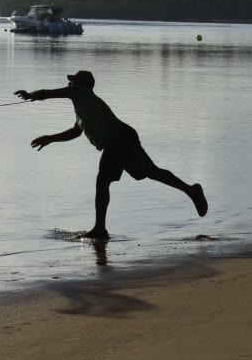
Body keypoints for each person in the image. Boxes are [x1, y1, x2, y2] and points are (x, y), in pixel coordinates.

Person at [15, 70, 207, 241]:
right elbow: (75, 132)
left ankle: (100, 229)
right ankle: (191, 191)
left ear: (80, 84)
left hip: (118, 140)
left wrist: (31, 95)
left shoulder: (80, 92)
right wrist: (50, 138)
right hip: (122, 138)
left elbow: (51, 93)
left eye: (71, 81)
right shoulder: (83, 109)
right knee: (151, 172)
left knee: (104, 181)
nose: (69, 84)